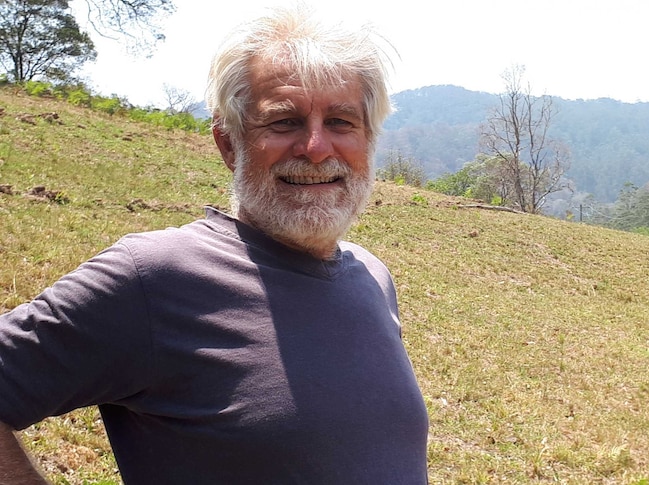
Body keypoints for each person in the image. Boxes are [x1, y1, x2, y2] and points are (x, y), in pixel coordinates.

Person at [0, 5, 429, 484]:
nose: (315, 147)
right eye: (284, 122)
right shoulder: (153, 277)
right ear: (229, 143)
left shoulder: (371, 276)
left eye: (341, 122)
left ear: (369, 141)